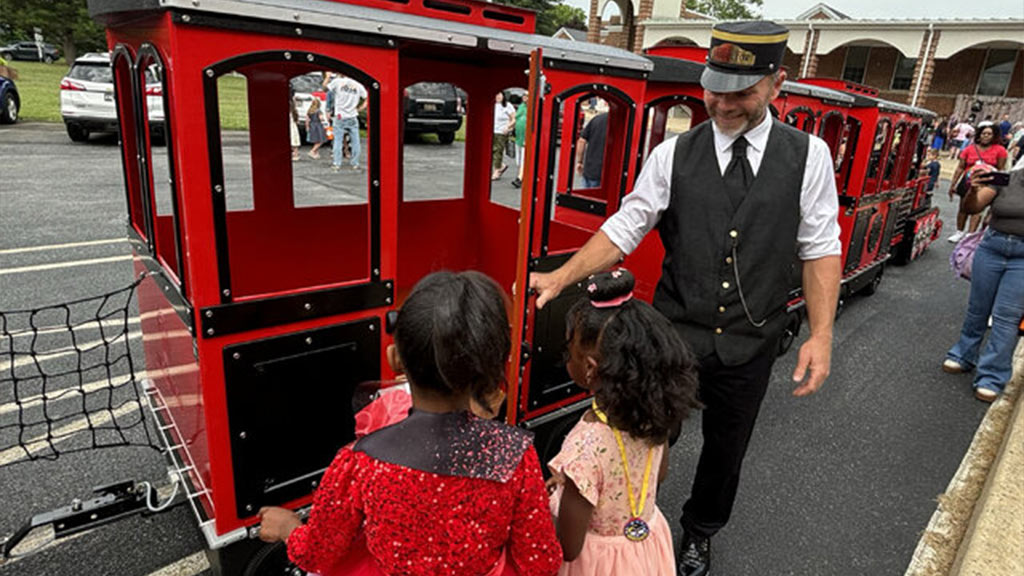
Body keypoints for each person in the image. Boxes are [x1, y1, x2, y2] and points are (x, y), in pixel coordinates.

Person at [529, 21, 842, 576]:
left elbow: (820, 248)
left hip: (752, 339)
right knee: (642, 431)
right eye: (714, 87)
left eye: (740, 92)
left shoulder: (809, 156)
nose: (722, 103)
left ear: (776, 83)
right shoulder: (675, 154)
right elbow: (627, 224)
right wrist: (561, 276)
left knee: (727, 449)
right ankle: (632, 521)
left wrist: (820, 335)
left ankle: (700, 531)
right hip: (675, 336)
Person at [258, 271, 563, 576]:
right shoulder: (514, 457)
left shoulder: (359, 461)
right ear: (491, 366)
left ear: (395, 359)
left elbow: (317, 554)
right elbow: (541, 563)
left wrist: (289, 529)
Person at [547, 269, 701, 576]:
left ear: (590, 368)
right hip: (643, 547)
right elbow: (657, 475)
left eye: (569, 351)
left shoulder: (583, 447)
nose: (567, 358)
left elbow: (569, 546)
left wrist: (555, 503)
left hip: (598, 564)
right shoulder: (653, 413)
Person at [943, 157, 1024, 402]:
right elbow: (973, 207)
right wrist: (973, 190)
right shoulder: (1007, 179)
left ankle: (992, 375)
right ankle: (963, 355)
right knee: (978, 308)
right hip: (991, 248)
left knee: (1006, 316)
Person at [947, 123, 1008, 243]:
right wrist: (953, 184)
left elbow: (1001, 168)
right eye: (983, 133)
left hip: (986, 183)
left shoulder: (1000, 150)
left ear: (994, 136)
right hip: (968, 181)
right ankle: (959, 232)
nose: (986, 136)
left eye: (989, 134)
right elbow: (960, 167)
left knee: (978, 209)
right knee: (963, 207)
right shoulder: (969, 149)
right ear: (979, 135)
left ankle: (970, 234)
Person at [324, 71, 367, 172]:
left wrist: (327, 77)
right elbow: (367, 97)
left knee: (338, 141)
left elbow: (325, 88)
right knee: (356, 142)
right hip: (352, 115)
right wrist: (360, 108)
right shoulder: (358, 85)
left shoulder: (338, 82)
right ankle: (355, 163)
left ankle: (337, 164)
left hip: (340, 116)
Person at [575, 112, 608, 189]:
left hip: (589, 170)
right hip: (605, 174)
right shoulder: (622, 122)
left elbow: (581, 141)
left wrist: (579, 162)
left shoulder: (596, 119)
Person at [493, 92, 516, 181]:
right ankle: (501, 166)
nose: (498, 97)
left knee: (498, 151)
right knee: (491, 150)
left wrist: (508, 127)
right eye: (496, 95)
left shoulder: (507, 106)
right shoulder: (493, 105)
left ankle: (496, 171)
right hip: (492, 131)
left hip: (501, 132)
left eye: (499, 95)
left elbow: (514, 118)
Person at [512, 91, 529, 189]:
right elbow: (516, 118)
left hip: (526, 139)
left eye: (527, 96)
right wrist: (509, 127)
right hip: (518, 137)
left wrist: (528, 138)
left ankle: (519, 179)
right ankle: (523, 176)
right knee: (518, 161)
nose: (524, 97)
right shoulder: (521, 106)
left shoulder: (532, 107)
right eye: (524, 95)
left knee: (523, 160)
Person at [288, 92, 301, 161]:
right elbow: (297, 120)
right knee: (294, 141)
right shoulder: (294, 111)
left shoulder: (292, 112)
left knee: (292, 140)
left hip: (291, 126)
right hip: (293, 127)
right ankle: (295, 154)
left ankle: (294, 154)